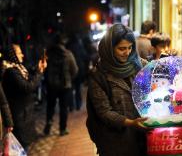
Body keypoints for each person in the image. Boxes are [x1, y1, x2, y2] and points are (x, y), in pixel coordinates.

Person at [86, 24, 148, 156]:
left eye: (130, 48)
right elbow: (104, 112)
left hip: (143, 138)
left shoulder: (140, 65)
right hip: (115, 142)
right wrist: (131, 123)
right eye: (122, 49)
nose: (127, 53)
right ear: (109, 48)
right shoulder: (99, 74)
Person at [1, 43, 47, 149]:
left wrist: (38, 69)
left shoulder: (17, 68)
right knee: (22, 147)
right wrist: (39, 72)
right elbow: (27, 87)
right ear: (13, 55)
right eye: (19, 53)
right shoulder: (11, 72)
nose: (22, 55)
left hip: (24, 114)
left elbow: (29, 79)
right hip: (20, 115)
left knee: (24, 147)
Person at [44, 34, 78, 136]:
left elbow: (43, 69)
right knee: (63, 107)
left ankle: (48, 125)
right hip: (65, 86)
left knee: (50, 106)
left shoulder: (48, 54)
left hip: (51, 86)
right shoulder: (68, 54)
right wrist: (69, 79)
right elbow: (75, 70)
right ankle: (62, 129)